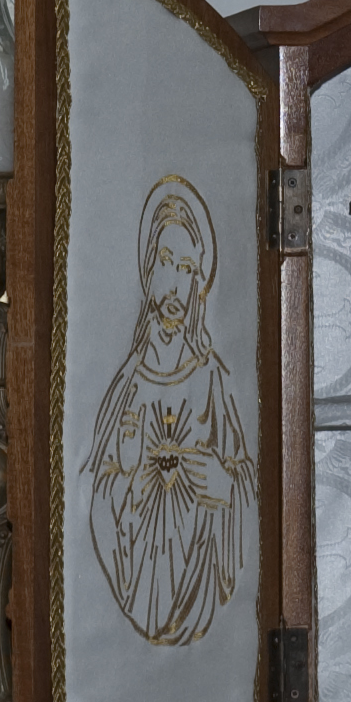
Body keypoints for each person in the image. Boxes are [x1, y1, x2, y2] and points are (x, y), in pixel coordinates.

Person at [84, 177, 256, 646]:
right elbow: (95, 490)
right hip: (134, 579)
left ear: (199, 282)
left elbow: (248, 480)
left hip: (197, 581)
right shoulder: (127, 383)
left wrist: (224, 485)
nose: (175, 283)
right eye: (165, 262)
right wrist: (125, 477)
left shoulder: (212, 378)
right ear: (148, 269)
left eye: (186, 268)